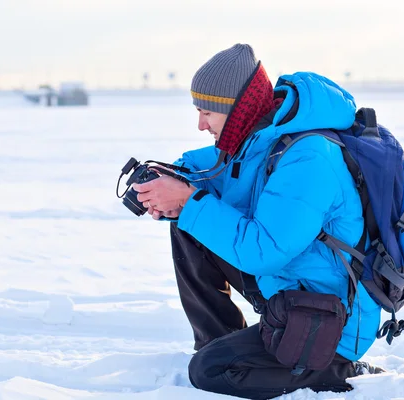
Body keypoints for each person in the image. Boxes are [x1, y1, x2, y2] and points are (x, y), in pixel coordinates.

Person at [132, 44, 384, 399]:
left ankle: (338, 368)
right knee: (188, 224)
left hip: (330, 316)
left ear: (237, 111)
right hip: (289, 287)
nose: (200, 125)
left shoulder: (309, 158)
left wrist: (188, 201)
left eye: (207, 113)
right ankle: (219, 343)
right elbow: (215, 169)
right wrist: (171, 181)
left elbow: (263, 252)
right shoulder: (261, 138)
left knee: (209, 372)